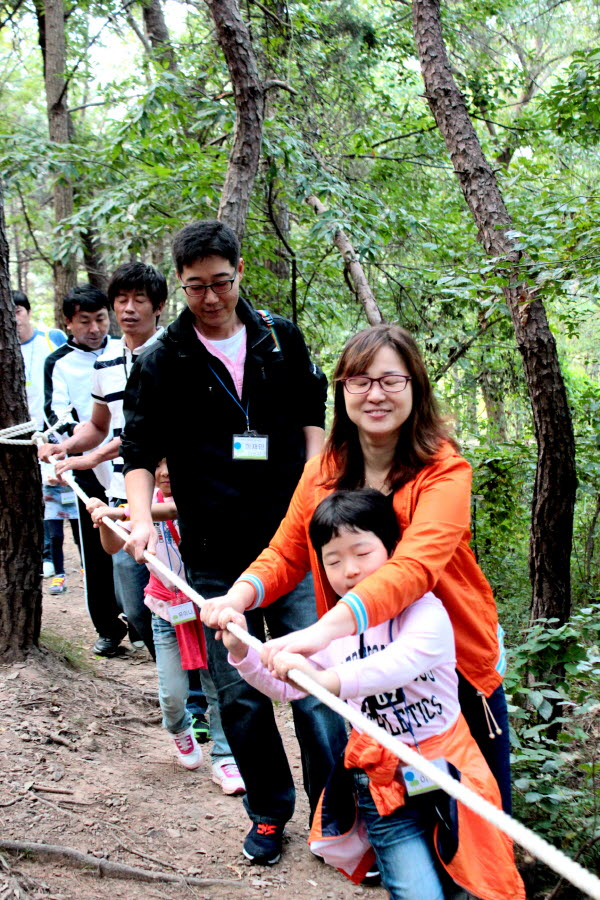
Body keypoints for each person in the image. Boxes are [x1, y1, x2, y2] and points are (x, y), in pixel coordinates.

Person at [202, 324, 513, 816]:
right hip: (369, 674)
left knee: (481, 818)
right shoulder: (323, 470)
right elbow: (286, 554)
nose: (375, 394)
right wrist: (238, 596)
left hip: (455, 664)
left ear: (415, 386)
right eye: (360, 381)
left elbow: (414, 568)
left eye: (391, 380)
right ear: (342, 388)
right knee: (405, 811)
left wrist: (322, 630)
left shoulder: (444, 471)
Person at [120, 220, 348, 865]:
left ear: (240, 271)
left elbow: (313, 422)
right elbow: (140, 449)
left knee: (313, 681)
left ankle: (333, 811)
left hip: (297, 545)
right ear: (181, 287)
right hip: (216, 555)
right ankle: (270, 814)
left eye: (221, 282)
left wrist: (319, 493)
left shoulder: (279, 337)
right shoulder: (163, 358)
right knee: (241, 692)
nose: (212, 297)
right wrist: (140, 521)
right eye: (196, 288)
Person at [217, 490, 524, 899]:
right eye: (333, 560)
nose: (349, 571)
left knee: (465, 885)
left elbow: (399, 664)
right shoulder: (335, 629)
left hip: (451, 774)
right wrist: (245, 655)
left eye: (362, 553)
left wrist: (329, 681)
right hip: (381, 783)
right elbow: (288, 688)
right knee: (416, 892)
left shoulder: (426, 611)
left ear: (394, 550)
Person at [86, 459, 245, 794]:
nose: (166, 471)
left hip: (209, 608)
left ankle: (224, 756)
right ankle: (179, 728)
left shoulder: (201, 497)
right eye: (157, 464)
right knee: (172, 694)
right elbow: (111, 546)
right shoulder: (139, 506)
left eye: (173, 461)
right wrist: (105, 517)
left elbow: (174, 511)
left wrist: (123, 513)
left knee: (217, 687)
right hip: (166, 613)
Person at [39, 263, 168, 657]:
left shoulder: (175, 354)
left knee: (175, 593)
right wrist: (65, 447)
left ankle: (189, 695)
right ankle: (172, 673)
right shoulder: (105, 364)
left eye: (139, 300)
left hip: (169, 494)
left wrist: (88, 457)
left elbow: (139, 434)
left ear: (158, 306)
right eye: (122, 301)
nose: (129, 309)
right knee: (134, 599)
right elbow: (98, 424)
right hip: (119, 494)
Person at [39, 285, 125, 653]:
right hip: (86, 461)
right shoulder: (58, 361)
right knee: (96, 544)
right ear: (69, 323)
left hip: (129, 458)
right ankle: (107, 626)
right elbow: (54, 415)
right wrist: (71, 441)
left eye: (101, 319)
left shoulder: (125, 349)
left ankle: (140, 617)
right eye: (85, 321)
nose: (94, 329)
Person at [14, 289, 67, 579]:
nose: (14, 319)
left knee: (54, 495)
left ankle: (53, 557)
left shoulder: (51, 338)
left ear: (28, 311)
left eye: (19, 311)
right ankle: (40, 556)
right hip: (18, 435)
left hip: (51, 435)